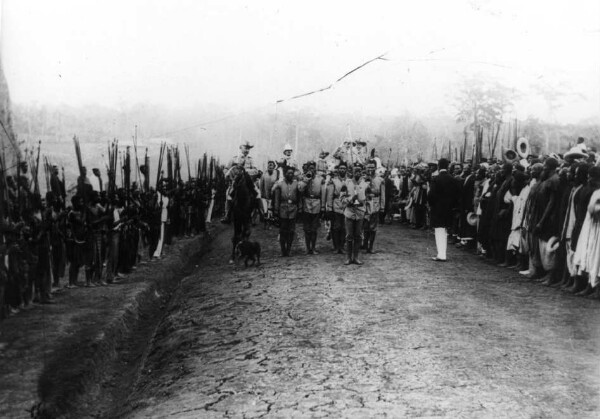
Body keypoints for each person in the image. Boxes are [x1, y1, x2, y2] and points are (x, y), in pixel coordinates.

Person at [428, 158, 460, 261]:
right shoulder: (453, 179)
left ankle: (441, 254)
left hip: (437, 209)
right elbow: (457, 196)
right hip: (449, 209)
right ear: (448, 167)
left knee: (439, 231)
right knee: (445, 230)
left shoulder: (435, 179)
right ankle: (442, 253)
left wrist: (432, 205)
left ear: (438, 166)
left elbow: (431, 195)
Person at [221, 141, 257, 223]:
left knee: (257, 194)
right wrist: (229, 175)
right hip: (235, 182)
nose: (247, 150)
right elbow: (226, 169)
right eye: (245, 147)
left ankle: (255, 216)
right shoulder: (234, 158)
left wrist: (245, 171)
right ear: (241, 147)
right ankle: (227, 215)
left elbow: (255, 170)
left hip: (248, 182)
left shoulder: (251, 160)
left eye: (248, 148)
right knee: (228, 195)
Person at [341, 163, 368, 265]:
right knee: (349, 235)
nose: (357, 173)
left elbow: (368, 198)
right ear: (351, 172)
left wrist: (365, 207)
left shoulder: (365, 184)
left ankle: (356, 257)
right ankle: (348, 257)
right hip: (349, 211)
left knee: (358, 235)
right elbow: (341, 198)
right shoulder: (346, 184)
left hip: (360, 212)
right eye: (355, 171)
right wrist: (350, 199)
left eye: (359, 171)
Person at [273, 167, 301, 256]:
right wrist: (276, 209)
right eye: (288, 173)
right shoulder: (280, 184)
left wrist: (299, 208)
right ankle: (283, 250)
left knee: (291, 230)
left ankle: (288, 250)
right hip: (283, 209)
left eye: (292, 173)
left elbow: (299, 197)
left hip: (293, 209)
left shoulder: (296, 184)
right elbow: (277, 198)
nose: (290, 175)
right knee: (283, 230)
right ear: (285, 174)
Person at [299, 161, 326, 254]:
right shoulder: (304, 177)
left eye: (313, 168)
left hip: (317, 204)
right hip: (306, 204)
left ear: (315, 168)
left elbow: (323, 193)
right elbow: (300, 189)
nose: (312, 170)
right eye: (310, 168)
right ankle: (307, 248)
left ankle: (313, 248)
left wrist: (323, 207)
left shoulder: (320, 179)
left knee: (314, 229)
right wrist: (306, 179)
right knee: (307, 229)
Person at [362, 160, 385, 253]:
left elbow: (382, 194)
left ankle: (370, 247)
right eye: (368, 167)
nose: (370, 169)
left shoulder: (380, 180)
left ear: (375, 168)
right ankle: (364, 244)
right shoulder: (362, 179)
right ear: (365, 168)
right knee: (365, 226)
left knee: (373, 227)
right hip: (364, 204)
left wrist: (382, 206)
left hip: (375, 204)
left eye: (372, 167)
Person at [326, 162, 348, 253]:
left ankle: (342, 246)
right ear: (338, 170)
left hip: (346, 206)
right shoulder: (333, 181)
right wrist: (330, 207)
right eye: (341, 168)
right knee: (335, 227)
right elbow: (330, 195)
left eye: (344, 168)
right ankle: (336, 246)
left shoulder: (349, 181)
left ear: (346, 170)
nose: (342, 170)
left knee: (344, 227)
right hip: (336, 205)